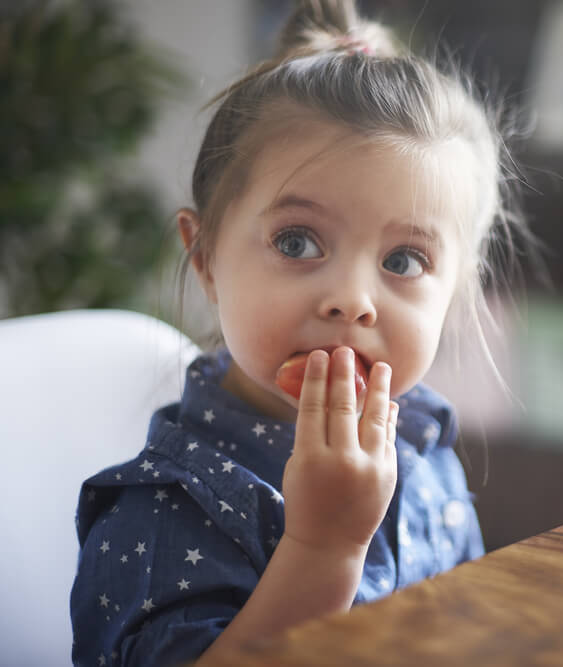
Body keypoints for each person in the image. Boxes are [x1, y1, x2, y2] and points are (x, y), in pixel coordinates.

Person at [70, 1, 531, 664]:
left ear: (455, 295)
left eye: (404, 260)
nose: (351, 300)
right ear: (205, 261)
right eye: (297, 241)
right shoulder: (162, 513)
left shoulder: (426, 448)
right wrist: (324, 548)